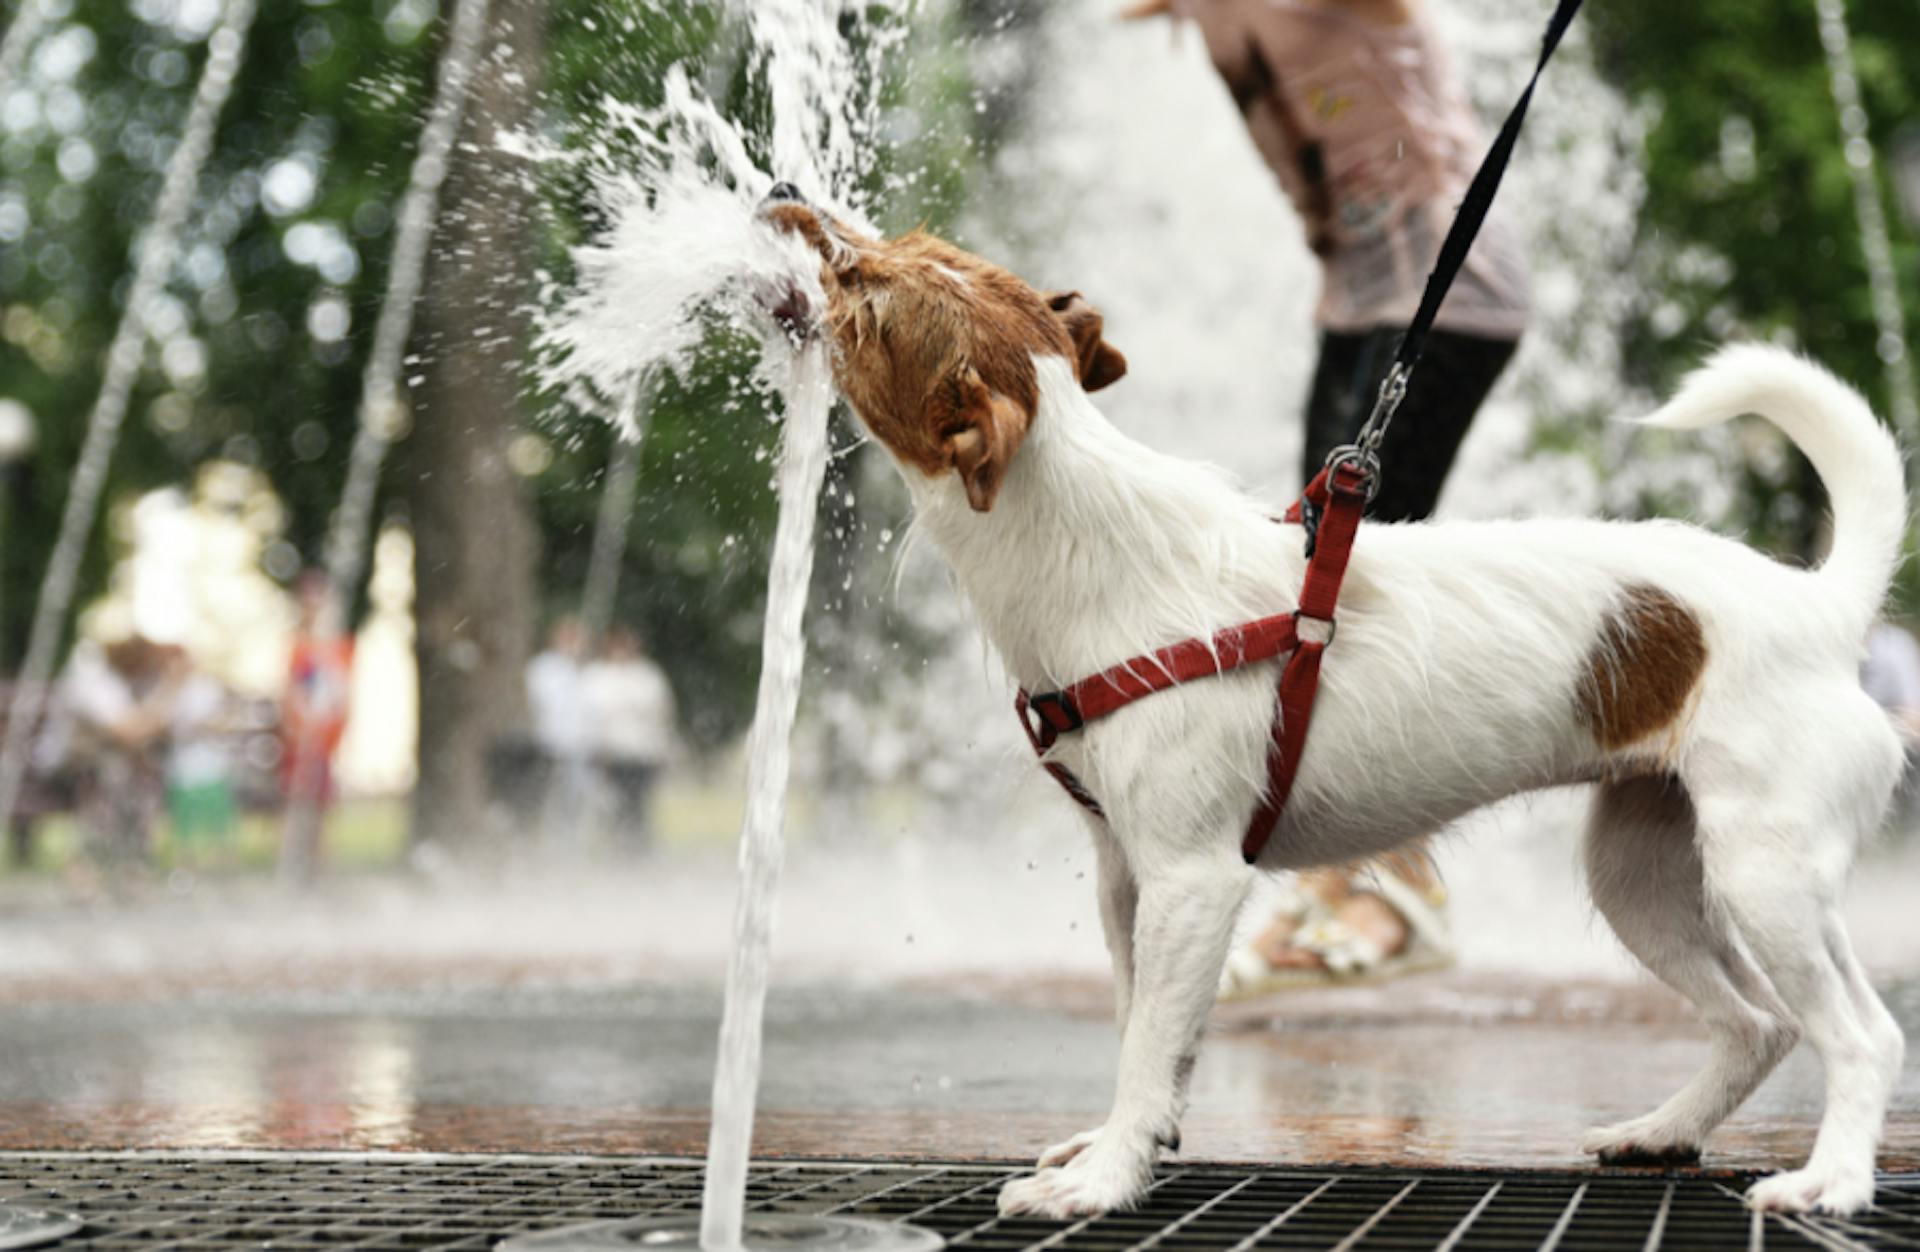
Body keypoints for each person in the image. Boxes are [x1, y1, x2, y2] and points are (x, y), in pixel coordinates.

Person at [1127, 0, 1530, 992]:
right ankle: (1350, 874)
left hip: (1447, 290)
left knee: (1340, 585)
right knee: (1304, 584)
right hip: (1359, 300)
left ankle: (1393, 894)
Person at [59, 634, 180, 867]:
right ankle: (90, 865)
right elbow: (130, 733)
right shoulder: (94, 679)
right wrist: (173, 686)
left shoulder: (120, 682)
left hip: (110, 766)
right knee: (112, 776)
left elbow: (148, 729)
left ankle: (132, 864)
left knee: (140, 775)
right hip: (74, 766)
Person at [281, 571, 352, 881]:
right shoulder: (299, 647)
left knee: (321, 809)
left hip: (325, 742)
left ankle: (317, 872)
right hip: (300, 742)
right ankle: (296, 870)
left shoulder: (336, 648)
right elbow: (290, 692)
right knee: (299, 805)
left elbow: (343, 695)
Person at [583, 627, 677, 850]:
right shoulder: (596, 677)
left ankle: (637, 848)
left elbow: (661, 714)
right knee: (611, 804)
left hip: (641, 753)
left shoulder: (648, 676)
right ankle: (613, 846)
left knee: (639, 805)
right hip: (609, 754)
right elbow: (588, 717)